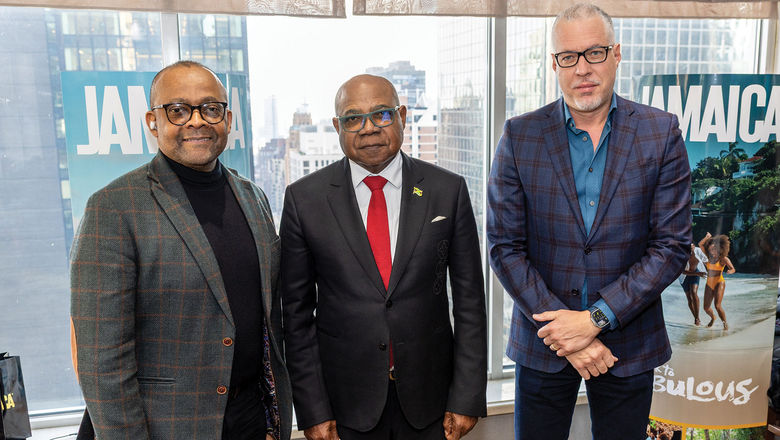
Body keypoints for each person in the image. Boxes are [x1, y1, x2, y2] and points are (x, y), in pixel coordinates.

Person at [486, 4, 691, 440]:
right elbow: (504, 246)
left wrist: (594, 319)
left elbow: (671, 247)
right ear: (555, 64)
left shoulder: (660, 131)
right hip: (544, 342)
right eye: (568, 56)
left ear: (616, 54)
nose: (582, 69)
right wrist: (565, 331)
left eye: (595, 53)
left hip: (630, 342)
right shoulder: (519, 135)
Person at [70, 60, 292, 440]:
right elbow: (101, 362)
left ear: (227, 118)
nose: (196, 121)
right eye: (177, 110)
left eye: (210, 108)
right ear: (153, 121)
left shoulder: (253, 196)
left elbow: (267, 323)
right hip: (166, 427)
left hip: (251, 419)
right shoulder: (113, 208)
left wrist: (271, 416)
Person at [281, 74, 487, 440]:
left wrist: (467, 397)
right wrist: (312, 410)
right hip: (346, 406)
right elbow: (296, 317)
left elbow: (470, 302)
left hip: (431, 403)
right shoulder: (304, 200)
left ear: (402, 116)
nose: (368, 128)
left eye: (381, 115)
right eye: (353, 118)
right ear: (337, 127)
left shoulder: (447, 190)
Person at [699, 232, 736, 330]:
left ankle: (725, 324)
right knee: (706, 308)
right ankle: (713, 318)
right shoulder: (707, 257)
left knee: (717, 306)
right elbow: (700, 244)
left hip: (720, 282)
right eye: (711, 249)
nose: (712, 251)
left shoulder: (724, 259)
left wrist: (730, 271)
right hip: (709, 284)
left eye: (714, 249)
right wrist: (707, 237)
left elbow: (733, 269)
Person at [681, 243, 708, 325]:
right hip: (684, 277)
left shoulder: (698, 250)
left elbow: (706, 261)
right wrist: (697, 274)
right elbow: (683, 271)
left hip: (696, 272)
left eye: (692, 245)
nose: (691, 247)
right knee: (689, 298)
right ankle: (697, 318)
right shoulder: (681, 255)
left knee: (694, 292)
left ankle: (696, 319)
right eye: (689, 246)